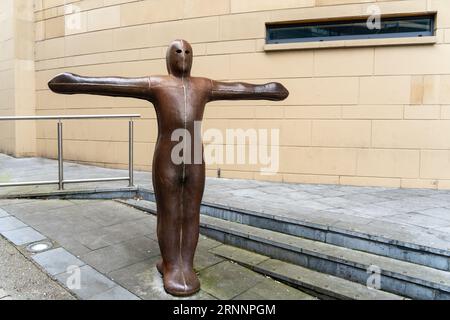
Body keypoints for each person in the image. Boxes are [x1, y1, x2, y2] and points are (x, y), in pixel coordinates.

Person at [48, 39, 289, 296]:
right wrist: (76, 82)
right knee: (169, 211)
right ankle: (172, 265)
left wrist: (266, 89)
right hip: (168, 157)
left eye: (187, 51)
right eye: (178, 51)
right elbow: (117, 84)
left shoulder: (203, 85)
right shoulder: (157, 84)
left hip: (194, 155)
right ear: (168, 58)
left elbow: (238, 88)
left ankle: (186, 264)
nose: (183, 55)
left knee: (191, 211)